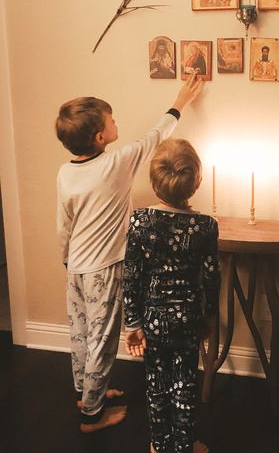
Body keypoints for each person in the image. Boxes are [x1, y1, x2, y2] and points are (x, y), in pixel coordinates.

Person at [55, 73, 202, 433]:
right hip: (104, 269)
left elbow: (64, 223)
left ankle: (87, 391)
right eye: (111, 119)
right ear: (100, 136)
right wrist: (179, 102)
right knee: (103, 340)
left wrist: (66, 257)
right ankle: (92, 414)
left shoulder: (65, 173)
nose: (117, 121)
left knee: (80, 333)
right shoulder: (116, 163)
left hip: (75, 266)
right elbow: (156, 136)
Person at [123, 138, 220, 453]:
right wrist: (209, 316)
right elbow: (210, 276)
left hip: (152, 319)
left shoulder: (139, 221)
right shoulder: (204, 226)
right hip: (189, 318)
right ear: (197, 181)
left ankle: (159, 443)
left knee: (156, 383)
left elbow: (132, 276)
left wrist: (133, 322)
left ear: (153, 183)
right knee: (185, 383)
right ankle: (184, 444)